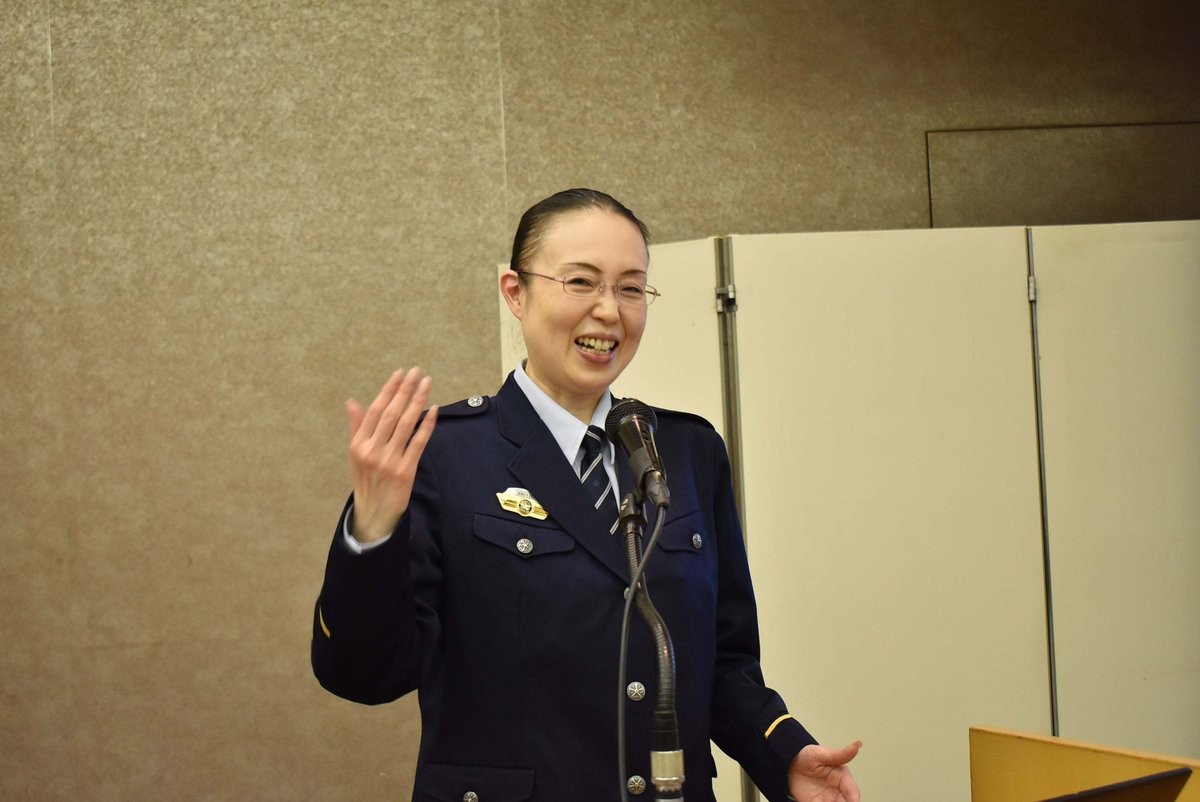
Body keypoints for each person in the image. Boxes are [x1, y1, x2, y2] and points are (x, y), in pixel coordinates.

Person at [312, 188, 861, 801]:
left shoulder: (687, 450)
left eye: (631, 288)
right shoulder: (441, 455)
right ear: (515, 293)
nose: (608, 311)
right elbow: (364, 675)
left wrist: (784, 755)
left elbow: (724, 661)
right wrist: (372, 533)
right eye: (580, 282)